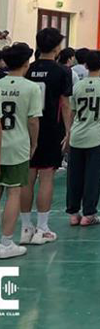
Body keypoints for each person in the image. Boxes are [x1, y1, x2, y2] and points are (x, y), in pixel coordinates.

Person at [21, 27, 72, 246]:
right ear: (57, 47)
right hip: (51, 129)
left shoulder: (27, 68)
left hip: (26, 128)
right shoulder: (62, 72)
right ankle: (42, 228)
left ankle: (25, 228)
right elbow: (66, 104)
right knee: (47, 177)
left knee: (28, 177)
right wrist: (68, 131)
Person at [0, 43, 42, 258]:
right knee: (14, 191)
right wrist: (34, 143)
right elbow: (33, 120)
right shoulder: (31, 88)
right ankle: (6, 243)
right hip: (17, 145)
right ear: (26, 63)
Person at [66, 50, 100, 226]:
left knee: (74, 176)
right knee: (93, 177)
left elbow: (72, 113)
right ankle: (89, 214)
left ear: (85, 65)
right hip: (96, 137)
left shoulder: (77, 86)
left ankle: (73, 213)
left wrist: (68, 133)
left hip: (77, 135)